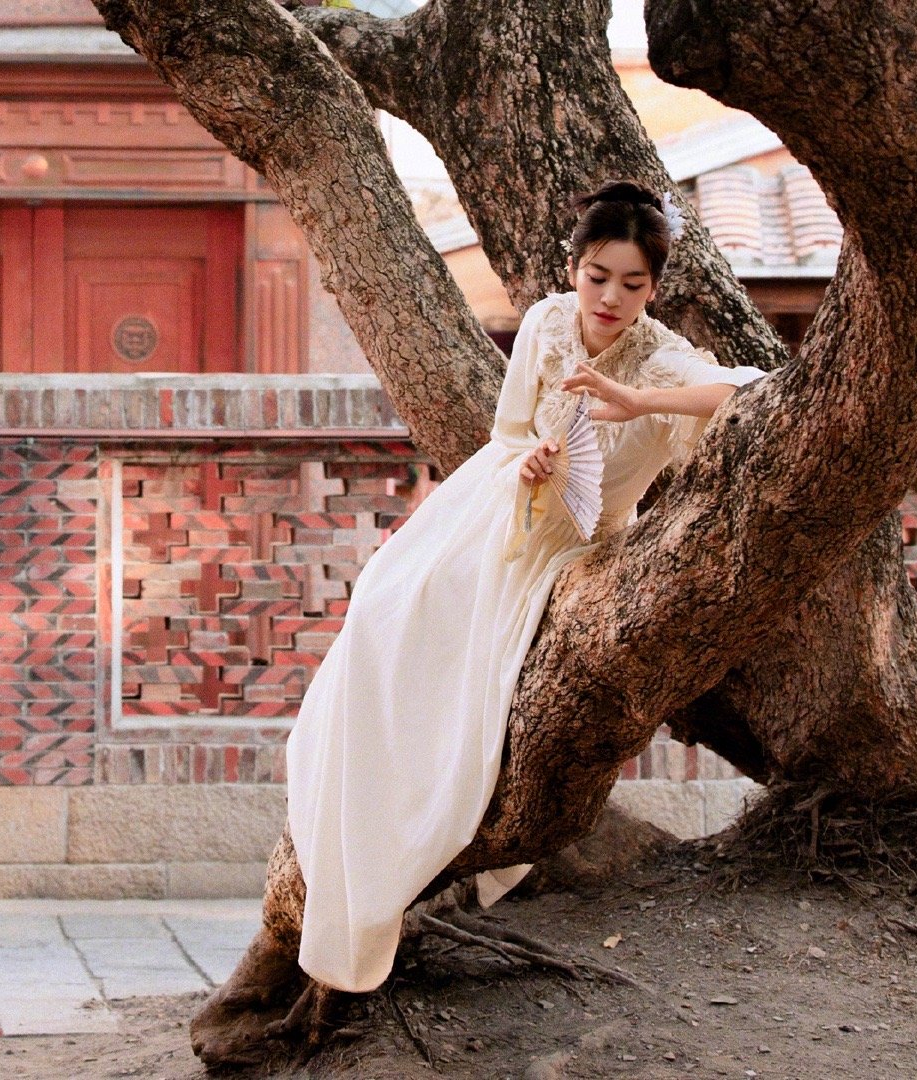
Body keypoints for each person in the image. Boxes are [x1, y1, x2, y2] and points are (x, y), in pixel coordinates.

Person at [284, 179, 771, 994]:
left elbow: (748, 391)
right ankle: (350, 809)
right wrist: (533, 459)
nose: (610, 298)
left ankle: (410, 841)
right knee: (384, 609)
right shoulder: (546, 322)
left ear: (654, 287)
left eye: (633, 283)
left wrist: (636, 401)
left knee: (469, 686)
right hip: (497, 502)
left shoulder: (661, 358)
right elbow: (510, 433)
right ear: (574, 269)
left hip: (571, 545)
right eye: (597, 277)